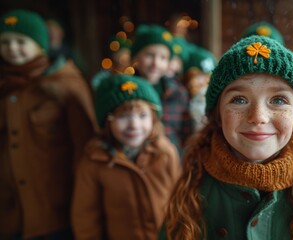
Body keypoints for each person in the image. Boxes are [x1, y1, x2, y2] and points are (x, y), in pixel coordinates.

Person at [158, 35, 293, 240]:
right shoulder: (190, 192)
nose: (258, 117)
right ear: (218, 116)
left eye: (278, 99)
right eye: (239, 100)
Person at [0, 9, 97, 239]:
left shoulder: (65, 84)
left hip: (55, 214)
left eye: (21, 41)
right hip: (9, 215)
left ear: (41, 45)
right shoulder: (4, 87)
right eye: (5, 42)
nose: (12, 48)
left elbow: (85, 146)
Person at [71, 74, 181, 240]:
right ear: (107, 121)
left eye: (142, 116)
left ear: (153, 119)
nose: (134, 125)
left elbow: (180, 200)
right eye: (123, 116)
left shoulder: (165, 153)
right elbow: (86, 218)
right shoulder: (94, 162)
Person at [131, 24, 192, 156]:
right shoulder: (129, 91)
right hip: (140, 160)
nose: (155, 63)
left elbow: (187, 131)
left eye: (162, 58)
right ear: (136, 57)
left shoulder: (178, 92)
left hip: (173, 160)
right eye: (149, 55)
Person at [182, 44, 217, 131]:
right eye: (198, 76)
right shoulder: (181, 95)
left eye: (207, 78)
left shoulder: (212, 98)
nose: (203, 82)